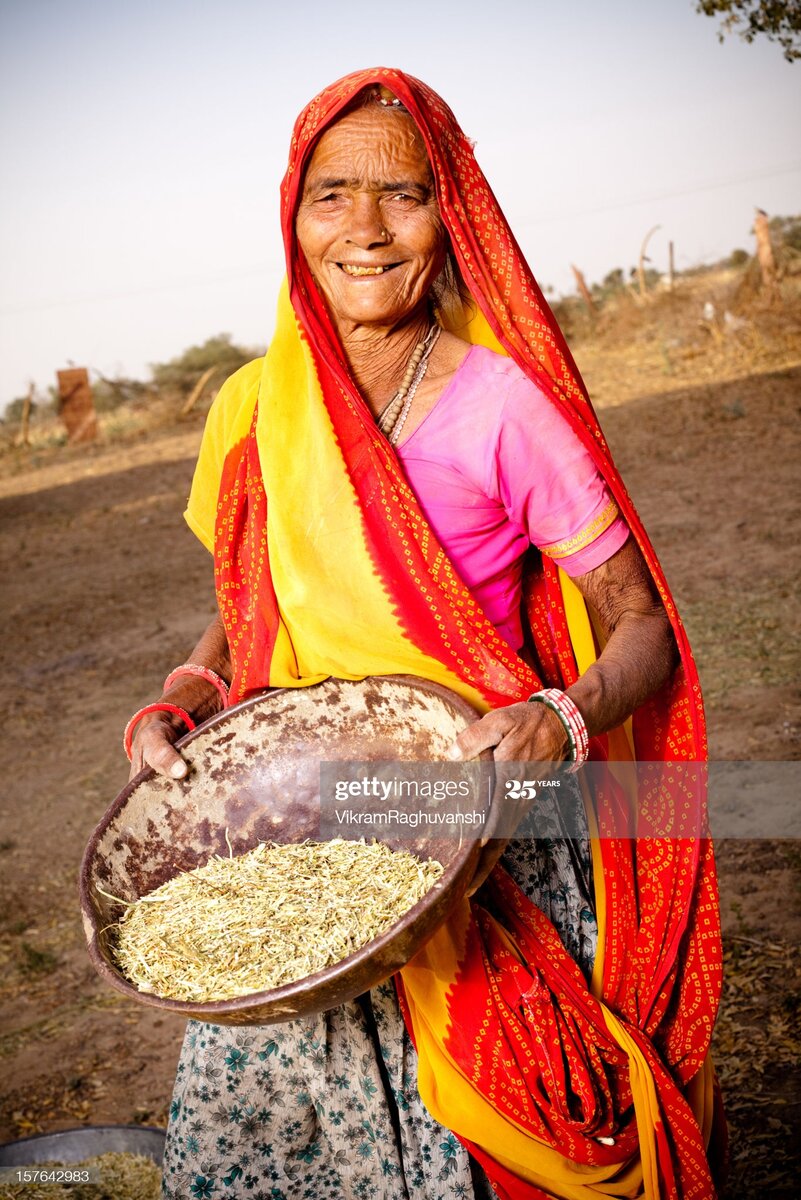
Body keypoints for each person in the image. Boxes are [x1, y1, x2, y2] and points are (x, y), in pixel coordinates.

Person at [125, 69, 724, 1200]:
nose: (364, 230)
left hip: (476, 837)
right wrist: (190, 691)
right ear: (292, 217)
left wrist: (560, 715)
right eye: (330, 195)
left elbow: (642, 627)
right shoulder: (253, 406)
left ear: (452, 211)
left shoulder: (500, 404)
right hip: (296, 836)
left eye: (401, 193)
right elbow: (252, 598)